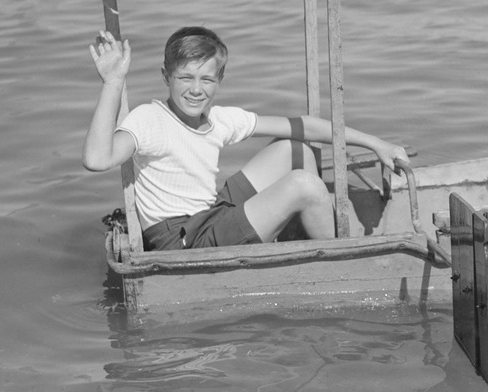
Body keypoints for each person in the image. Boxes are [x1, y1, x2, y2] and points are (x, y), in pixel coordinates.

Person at [83, 26, 408, 251]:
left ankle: (303, 237)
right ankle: (341, 259)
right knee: (304, 185)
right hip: (183, 239)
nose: (196, 89)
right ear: (166, 76)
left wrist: (377, 144)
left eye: (207, 79)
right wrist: (112, 82)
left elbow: (304, 126)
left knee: (294, 150)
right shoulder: (149, 119)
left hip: (210, 213)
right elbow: (97, 159)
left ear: (220, 80)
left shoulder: (218, 119)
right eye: (185, 78)